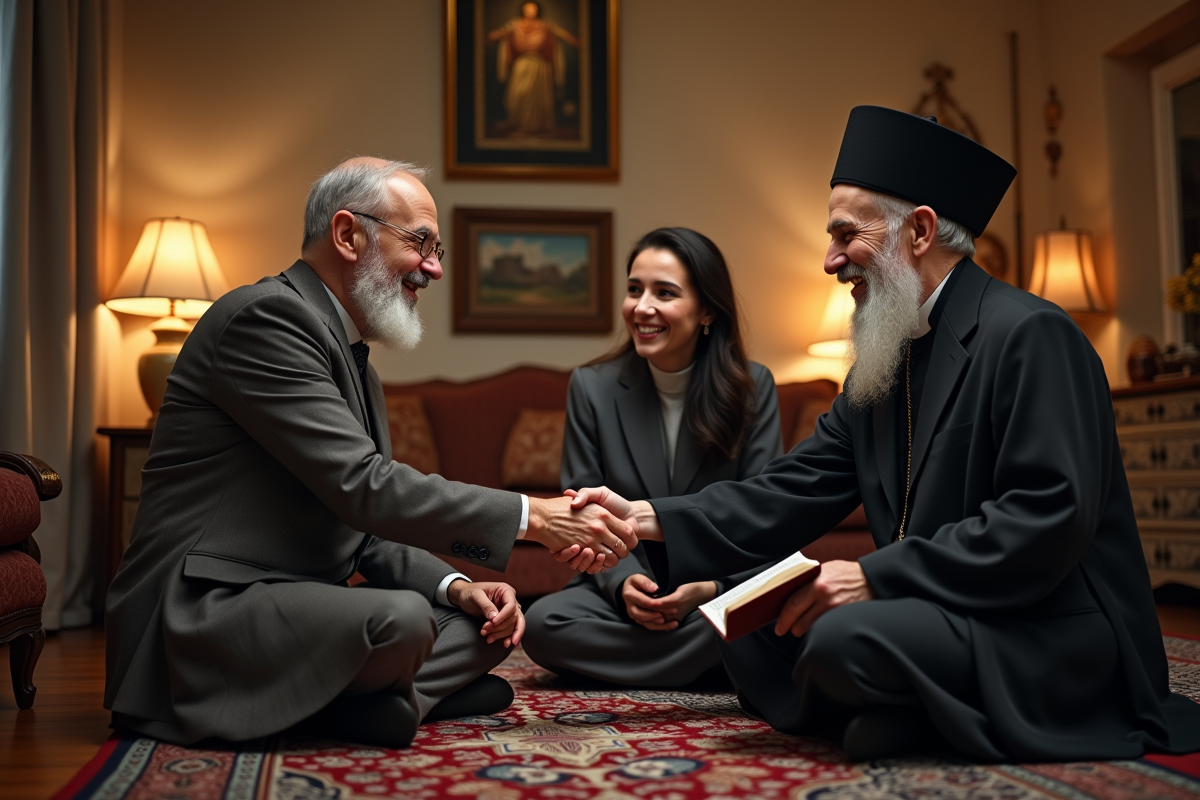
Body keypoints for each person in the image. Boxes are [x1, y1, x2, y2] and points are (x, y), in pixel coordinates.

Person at [566, 107, 1200, 761]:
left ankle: (903, 712)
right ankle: (908, 714)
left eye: (845, 235)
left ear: (920, 231)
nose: (829, 260)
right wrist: (640, 517)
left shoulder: (1033, 335)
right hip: (935, 607)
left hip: (1041, 625)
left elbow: (1045, 519)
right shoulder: (886, 360)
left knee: (844, 639)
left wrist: (872, 576)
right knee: (747, 614)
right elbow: (787, 490)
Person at [103, 157, 637, 749]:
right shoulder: (266, 318)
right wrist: (536, 517)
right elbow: (365, 486)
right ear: (348, 234)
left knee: (482, 629)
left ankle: (363, 703)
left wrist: (460, 588)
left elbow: (366, 530)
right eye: (421, 243)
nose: (433, 268)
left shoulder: (355, 362)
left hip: (300, 607)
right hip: (204, 611)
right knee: (400, 622)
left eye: (438, 250)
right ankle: (370, 704)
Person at [523, 228, 782, 688]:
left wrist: (709, 590)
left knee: (769, 610)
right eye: (634, 290)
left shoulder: (753, 389)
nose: (642, 307)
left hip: (716, 587)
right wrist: (624, 585)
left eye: (665, 293)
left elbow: (763, 513)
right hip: (622, 580)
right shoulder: (591, 387)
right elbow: (585, 510)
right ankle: (716, 661)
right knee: (544, 625)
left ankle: (679, 658)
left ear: (706, 310)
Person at [487, 1, 579, 136]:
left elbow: (562, 34)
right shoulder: (515, 24)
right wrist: (491, 37)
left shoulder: (545, 25)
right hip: (522, 63)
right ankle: (518, 122)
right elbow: (498, 34)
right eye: (528, 8)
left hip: (540, 65)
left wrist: (576, 42)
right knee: (516, 93)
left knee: (538, 97)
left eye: (533, 8)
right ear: (523, 10)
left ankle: (532, 127)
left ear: (537, 10)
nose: (530, 11)